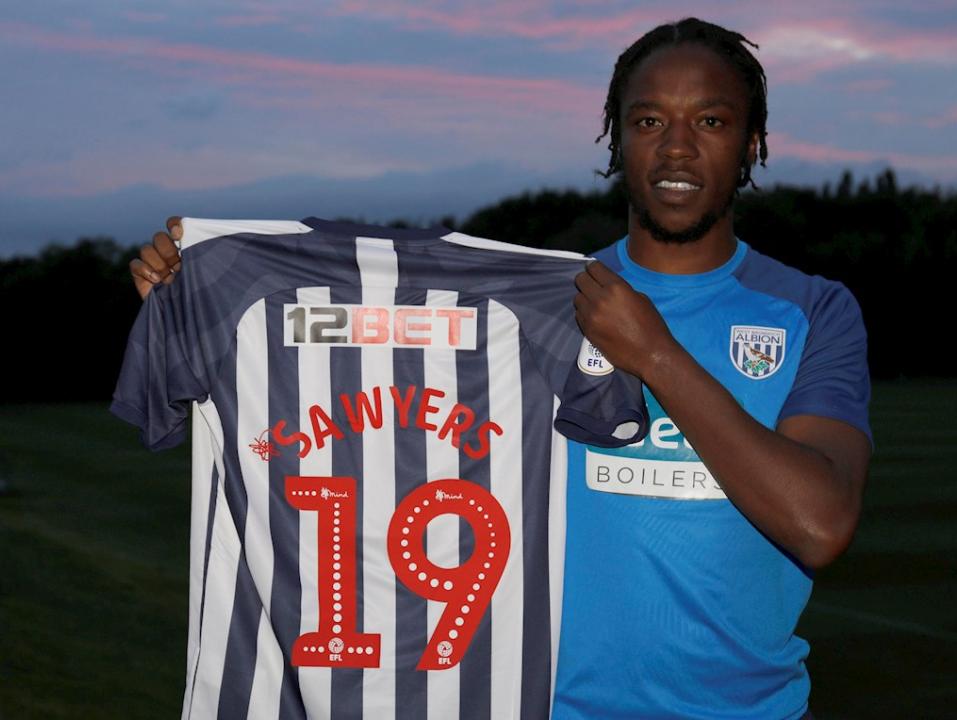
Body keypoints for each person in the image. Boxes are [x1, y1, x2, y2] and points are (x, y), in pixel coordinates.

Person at [130, 17, 870, 719]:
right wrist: (200, 295)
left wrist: (655, 355)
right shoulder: (537, 304)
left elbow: (820, 523)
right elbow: (363, 355)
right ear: (617, 141)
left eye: (710, 121)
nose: (677, 148)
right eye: (649, 121)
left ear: (752, 144)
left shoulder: (812, 311)